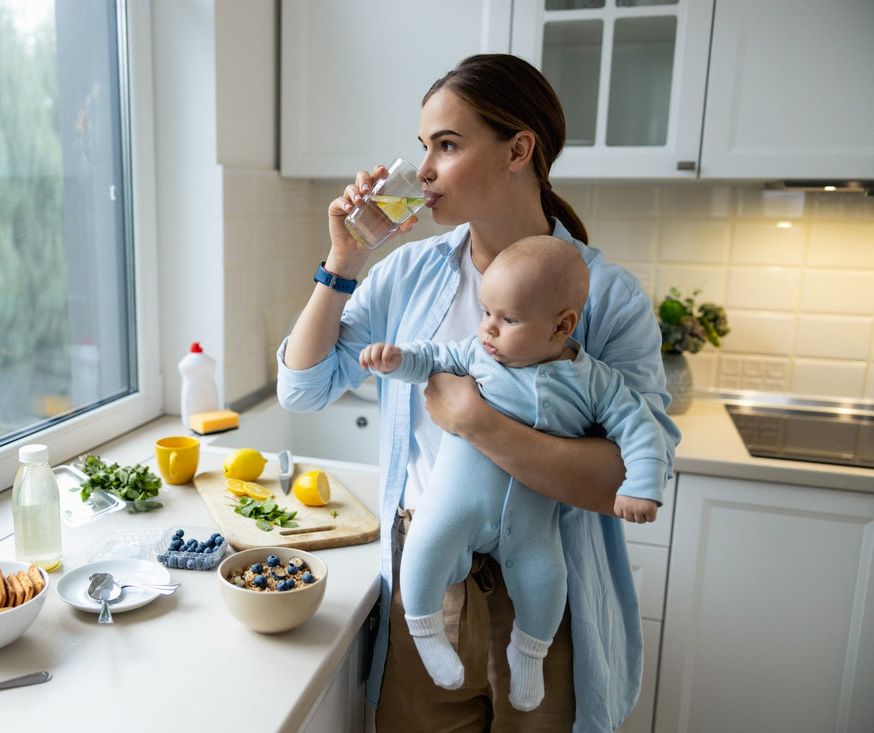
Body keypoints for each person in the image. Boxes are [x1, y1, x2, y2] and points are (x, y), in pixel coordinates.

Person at [277, 53, 680, 731]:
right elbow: (303, 386)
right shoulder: (407, 273)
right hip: (428, 583)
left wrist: (476, 421)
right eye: (423, 147)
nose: (424, 169)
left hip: (548, 593)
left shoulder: (603, 297)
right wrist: (343, 264)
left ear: (518, 149)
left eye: (448, 144)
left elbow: (633, 473)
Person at [358, 235, 667, 711]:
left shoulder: (594, 380)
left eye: (509, 319)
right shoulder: (476, 353)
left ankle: (529, 655)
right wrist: (398, 360)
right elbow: (431, 357)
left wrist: (641, 487)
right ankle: (426, 630)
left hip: (530, 523)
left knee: (547, 580)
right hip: (454, 507)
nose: (489, 329)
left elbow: (641, 431)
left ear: (561, 326)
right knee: (424, 549)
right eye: (486, 312)